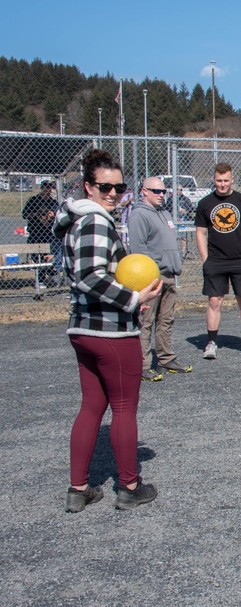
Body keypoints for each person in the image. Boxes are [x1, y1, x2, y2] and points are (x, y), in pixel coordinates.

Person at [53, 149, 162, 512]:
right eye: (105, 186)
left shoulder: (76, 219)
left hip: (83, 328)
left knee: (91, 407)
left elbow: (89, 276)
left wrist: (128, 297)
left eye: (119, 187)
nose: (113, 193)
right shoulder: (96, 221)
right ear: (88, 186)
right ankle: (129, 486)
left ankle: (78, 488)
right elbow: (89, 276)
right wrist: (131, 298)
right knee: (124, 407)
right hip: (110, 333)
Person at [127, 176, 191, 380]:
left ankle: (165, 359)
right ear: (144, 191)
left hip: (169, 275)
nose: (161, 195)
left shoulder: (164, 213)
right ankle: (143, 364)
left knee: (166, 319)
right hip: (151, 277)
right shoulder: (139, 215)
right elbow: (138, 250)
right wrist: (148, 278)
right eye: (156, 191)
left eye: (164, 192)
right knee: (146, 321)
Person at [195, 163, 241, 359]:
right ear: (214, 180)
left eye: (225, 180)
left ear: (232, 180)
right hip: (216, 261)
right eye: (218, 181)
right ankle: (211, 343)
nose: (222, 184)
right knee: (214, 301)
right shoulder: (205, 203)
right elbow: (200, 232)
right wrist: (206, 259)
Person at [22, 179, 60, 280]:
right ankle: (49, 271)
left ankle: (42, 278)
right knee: (35, 256)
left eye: (50, 188)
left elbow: (58, 215)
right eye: (46, 187)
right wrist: (37, 214)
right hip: (35, 232)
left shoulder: (53, 202)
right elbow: (25, 215)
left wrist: (52, 215)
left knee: (48, 255)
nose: (48, 190)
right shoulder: (33, 200)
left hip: (48, 234)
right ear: (42, 188)